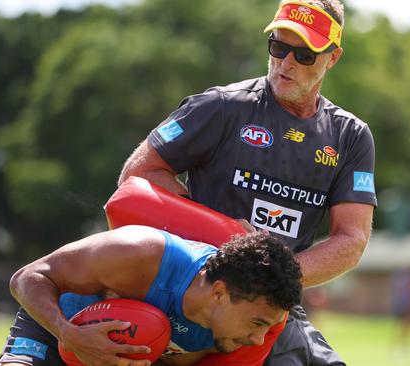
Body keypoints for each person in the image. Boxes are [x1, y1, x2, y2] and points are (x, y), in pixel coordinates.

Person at [118, 1, 377, 364]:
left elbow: (352, 240)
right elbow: (138, 175)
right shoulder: (220, 106)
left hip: (274, 312)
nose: (285, 63)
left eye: (304, 55)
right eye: (278, 47)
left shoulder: (350, 136)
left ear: (332, 58)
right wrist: (218, 234)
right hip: (201, 296)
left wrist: (268, 280)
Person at [0, 226, 303, 366]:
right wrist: (68, 333)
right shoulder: (140, 254)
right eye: (257, 323)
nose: (260, 339)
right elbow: (28, 277)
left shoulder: (237, 334)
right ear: (220, 293)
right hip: (54, 328)